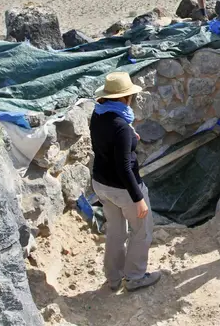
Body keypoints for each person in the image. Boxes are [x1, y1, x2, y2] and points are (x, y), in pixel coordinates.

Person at [89, 72, 161, 292]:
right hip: (123, 189)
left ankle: (113, 278)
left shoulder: (99, 114)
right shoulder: (120, 125)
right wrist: (138, 198)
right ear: (124, 98)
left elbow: (106, 143)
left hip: (101, 184)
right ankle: (135, 277)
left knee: (116, 232)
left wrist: (130, 138)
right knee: (141, 231)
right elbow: (124, 167)